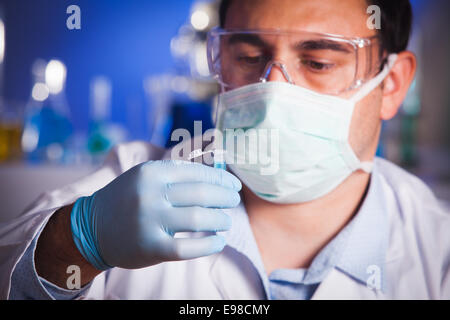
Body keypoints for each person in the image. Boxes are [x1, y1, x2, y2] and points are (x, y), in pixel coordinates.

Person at [2, 0, 449, 300]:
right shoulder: (131, 180)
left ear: (391, 84)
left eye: (318, 62)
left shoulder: (437, 249)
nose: (273, 88)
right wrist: (79, 242)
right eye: (249, 56)